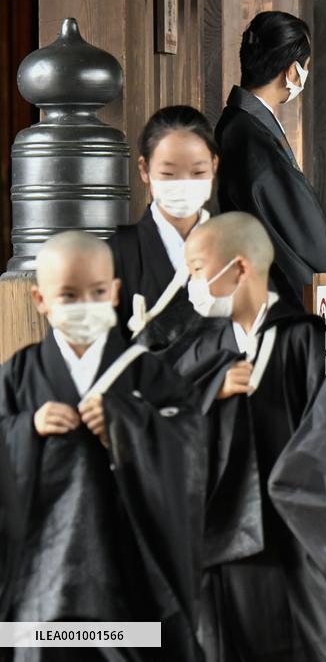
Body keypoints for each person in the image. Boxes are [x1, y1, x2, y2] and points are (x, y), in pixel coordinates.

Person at [177, 212, 326, 661]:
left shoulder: (308, 340)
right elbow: (154, 418)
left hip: (301, 541)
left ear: (240, 268)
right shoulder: (200, 349)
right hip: (221, 542)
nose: (192, 283)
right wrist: (209, 392)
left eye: (199, 269)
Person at [0, 231, 205, 661]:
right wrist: (26, 428)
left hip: (129, 561)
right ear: (41, 300)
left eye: (96, 292)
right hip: (44, 569)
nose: (84, 305)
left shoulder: (146, 371)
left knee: (138, 647)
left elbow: (190, 440)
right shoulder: (17, 374)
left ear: (114, 291)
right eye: (68, 295)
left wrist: (128, 424)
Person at [215, 10, 326, 304]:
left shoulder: (240, 125)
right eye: (305, 67)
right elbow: (301, 226)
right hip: (276, 290)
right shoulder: (251, 138)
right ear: (292, 72)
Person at [108, 105, 217, 363]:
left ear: (214, 165)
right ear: (144, 169)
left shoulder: (235, 247)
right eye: (168, 174)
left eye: (198, 172)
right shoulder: (118, 252)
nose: (184, 184)